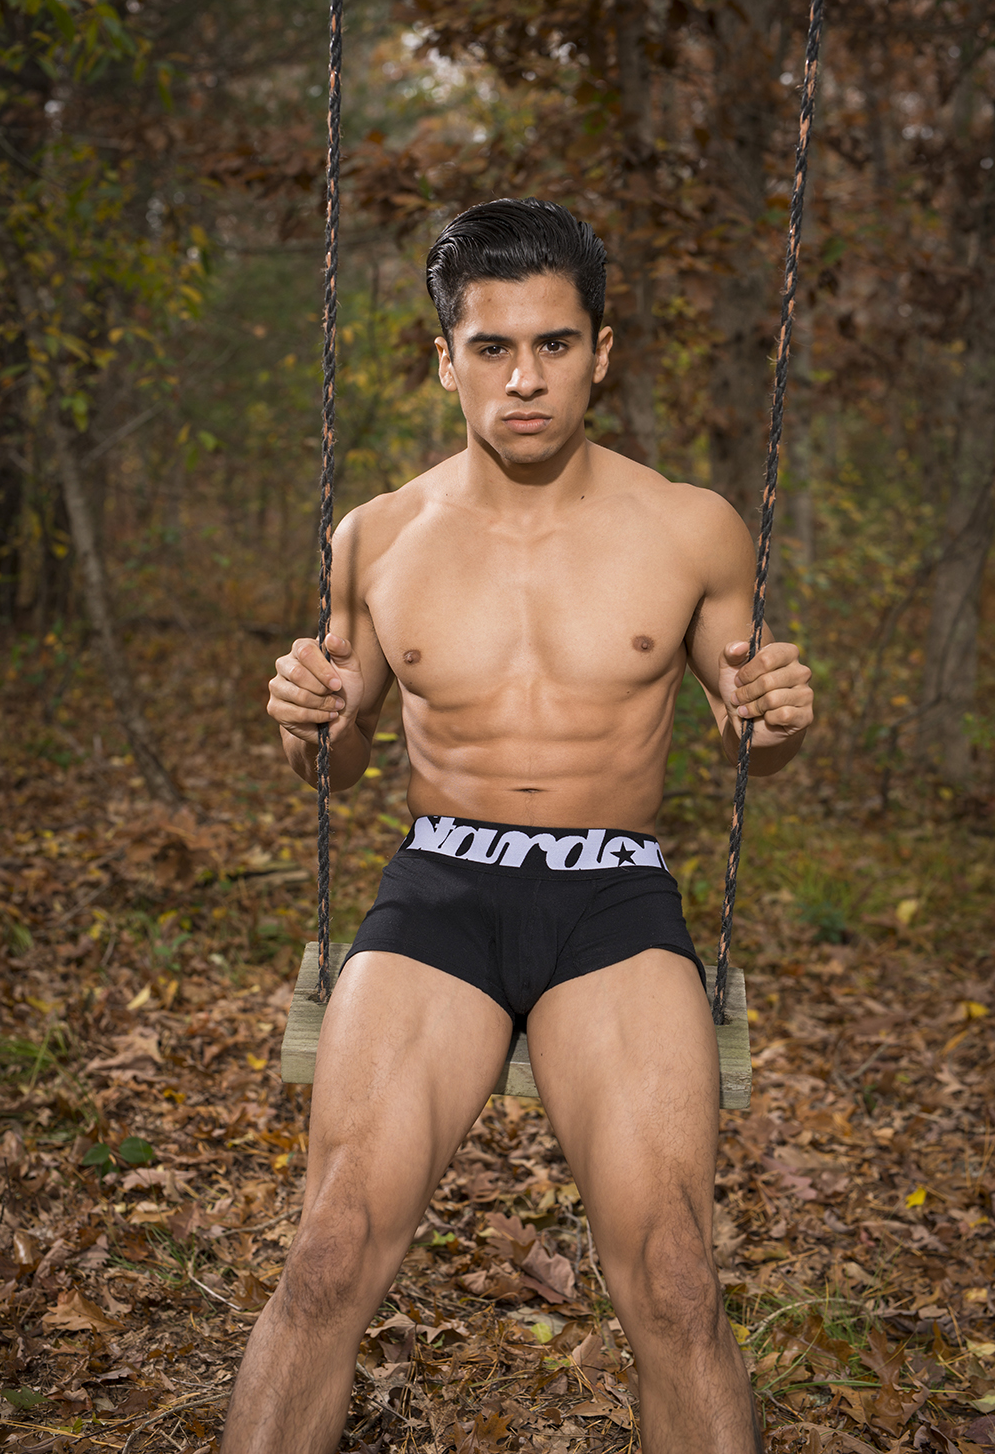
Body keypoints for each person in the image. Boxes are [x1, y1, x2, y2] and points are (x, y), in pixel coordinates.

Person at [222, 198, 813, 1454]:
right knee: (327, 1252)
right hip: (439, 890)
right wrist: (302, 719)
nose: (524, 378)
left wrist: (777, 713)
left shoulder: (691, 526)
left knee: (675, 1276)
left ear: (602, 352)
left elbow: (748, 734)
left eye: (554, 344)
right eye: (491, 347)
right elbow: (337, 758)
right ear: (446, 359)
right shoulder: (377, 536)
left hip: (613, 897)